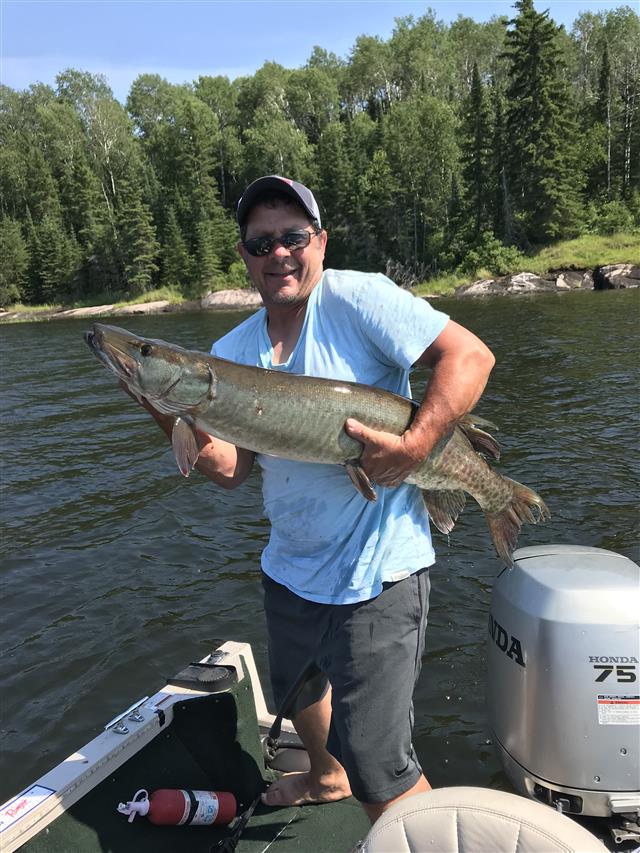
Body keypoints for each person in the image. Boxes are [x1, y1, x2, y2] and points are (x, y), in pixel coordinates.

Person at [135, 175, 495, 823]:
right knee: (300, 692)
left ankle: (423, 835)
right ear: (245, 256)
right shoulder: (231, 351)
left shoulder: (360, 299)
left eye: (293, 237)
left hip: (376, 576)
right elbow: (227, 470)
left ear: (319, 242)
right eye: (261, 241)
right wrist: (162, 402)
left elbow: (470, 357)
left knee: (379, 761)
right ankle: (325, 778)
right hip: (292, 570)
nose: (278, 253)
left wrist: (415, 446)